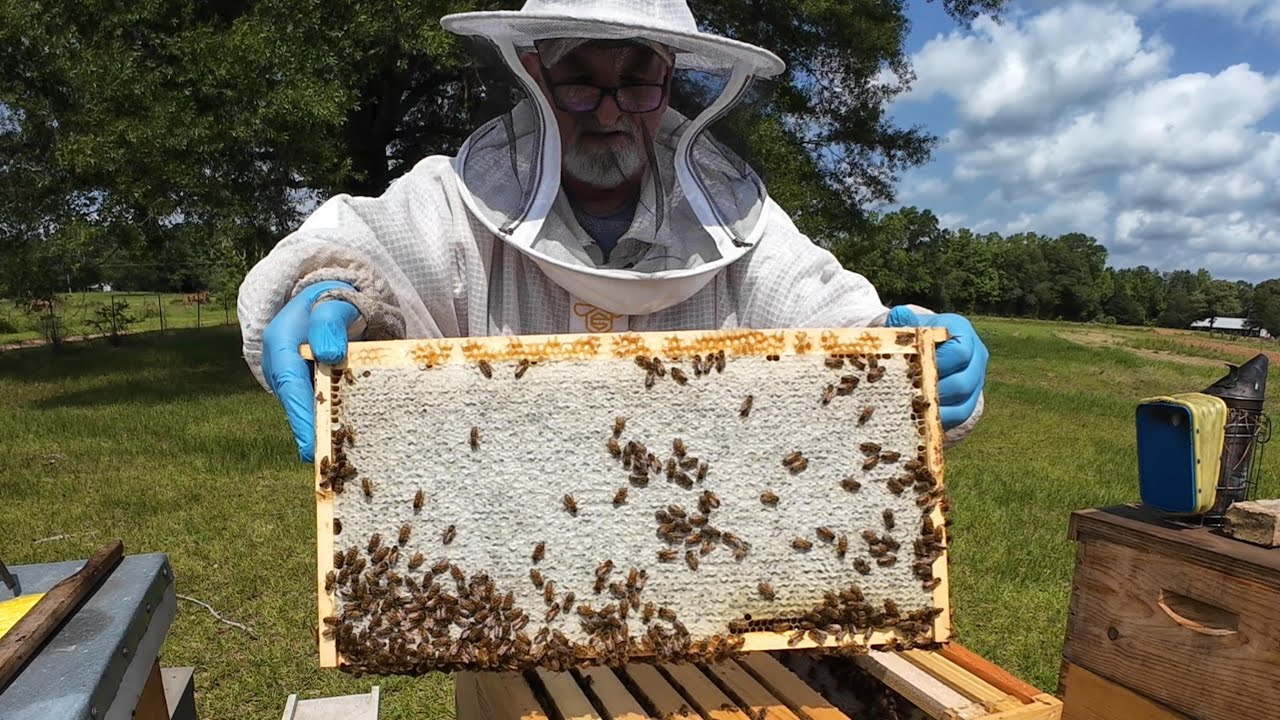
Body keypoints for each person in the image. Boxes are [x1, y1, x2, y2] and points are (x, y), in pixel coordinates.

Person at [237, 0, 989, 462]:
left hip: (702, 607)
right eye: (579, 80)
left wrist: (913, 352)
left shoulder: (733, 220)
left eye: (636, 80)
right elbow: (369, 250)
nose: (608, 111)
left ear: (670, 80)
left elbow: (825, 311)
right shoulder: (454, 201)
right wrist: (328, 291)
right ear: (533, 74)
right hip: (506, 601)